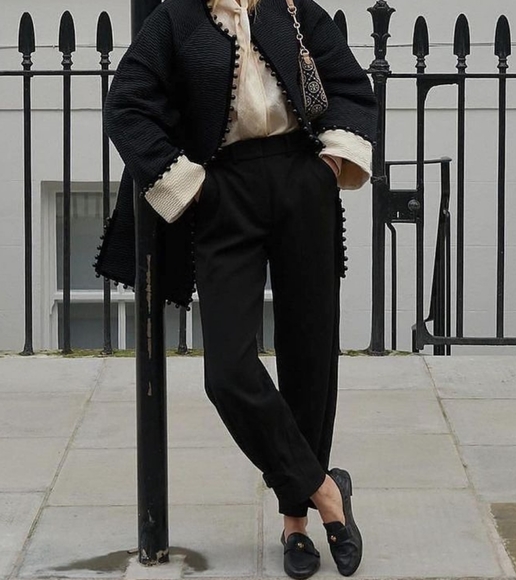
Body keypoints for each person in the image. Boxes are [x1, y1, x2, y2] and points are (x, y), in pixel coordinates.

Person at [94, 0, 378, 577]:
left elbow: (350, 86)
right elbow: (126, 105)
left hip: (302, 182)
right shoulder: (176, 20)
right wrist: (188, 184)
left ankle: (295, 524)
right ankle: (326, 490)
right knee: (227, 371)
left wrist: (330, 166)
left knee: (309, 358)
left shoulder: (292, 9)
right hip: (224, 192)